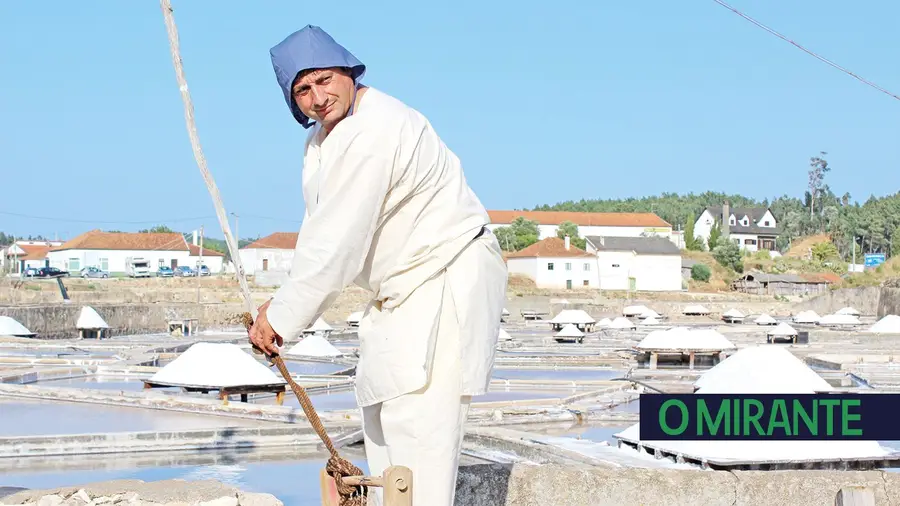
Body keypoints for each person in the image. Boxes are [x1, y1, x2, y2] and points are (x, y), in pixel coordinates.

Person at [249, 25, 508, 506]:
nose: (317, 97)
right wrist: (279, 301)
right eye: (302, 89)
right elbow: (320, 233)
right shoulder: (326, 140)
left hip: (441, 276)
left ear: (348, 73)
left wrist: (281, 319)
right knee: (385, 421)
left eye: (325, 80)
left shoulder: (375, 129)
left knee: (420, 425)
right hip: (401, 289)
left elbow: (337, 243)